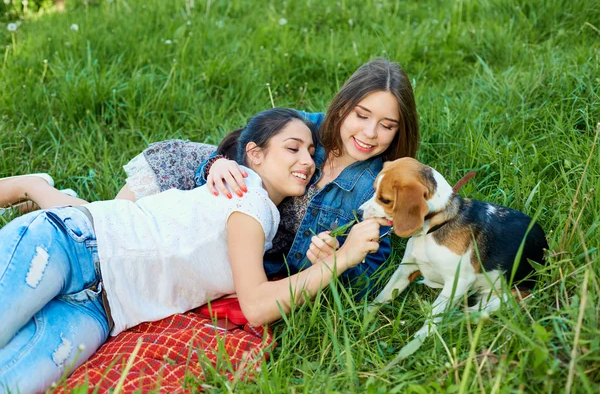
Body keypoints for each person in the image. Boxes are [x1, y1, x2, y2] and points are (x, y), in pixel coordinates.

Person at [0, 108, 389, 393]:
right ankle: (35, 187)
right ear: (254, 154)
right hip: (73, 246)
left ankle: (52, 194)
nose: (307, 161)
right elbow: (256, 305)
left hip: (102, 311)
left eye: (310, 152)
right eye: (293, 149)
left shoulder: (265, 223)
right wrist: (343, 258)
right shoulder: (249, 198)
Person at [0, 57, 419, 296]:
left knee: (114, 251)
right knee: (105, 229)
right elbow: (248, 144)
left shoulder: (380, 187)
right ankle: (33, 186)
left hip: (228, 240)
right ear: (343, 106)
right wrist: (215, 165)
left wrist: (334, 262)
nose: (368, 133)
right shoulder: (310, 128)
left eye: (386, 125)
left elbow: (370, 268)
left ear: (401, 131)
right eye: (362, 116)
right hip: (195, 186)